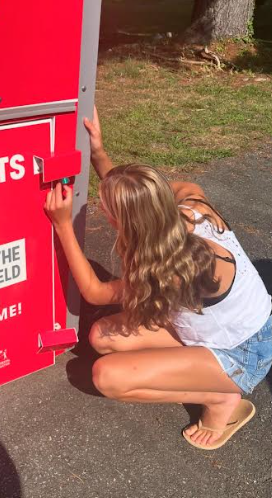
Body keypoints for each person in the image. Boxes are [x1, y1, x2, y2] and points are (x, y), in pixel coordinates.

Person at [44, 108, 272, 450]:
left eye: (105, 211)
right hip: (228, 325)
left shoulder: (168, 272)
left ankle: (220, 398)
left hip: (241, 352)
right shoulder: (190, 201)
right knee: (101, 337)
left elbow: (95, 291)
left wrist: (62, 225)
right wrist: (99, 153)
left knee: (106, 376)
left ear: (124, 223)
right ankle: (200, 368)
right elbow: (137, 202)